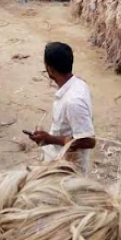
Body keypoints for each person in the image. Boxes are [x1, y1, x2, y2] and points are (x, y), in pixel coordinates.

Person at [28, 42, 96, 174]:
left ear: (50, 69)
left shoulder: (73, 101)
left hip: (67, 168)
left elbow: (89, 141)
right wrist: (47, 137)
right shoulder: (77, 84)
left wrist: (50, 139)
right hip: (61, 160)